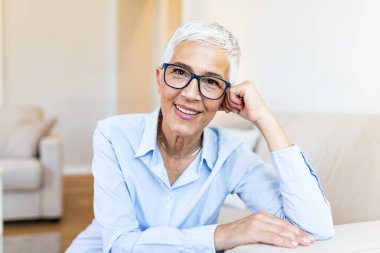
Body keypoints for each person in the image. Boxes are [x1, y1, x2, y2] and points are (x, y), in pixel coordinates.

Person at [66, 20, 334, 253]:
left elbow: (315, 227)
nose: (191, 94)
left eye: (211, 82)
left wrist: (265, 119)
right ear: (160, 78)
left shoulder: (231, 156)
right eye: (180, 72)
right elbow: (119, 245)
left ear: (224, 97)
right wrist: (225, 233)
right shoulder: (113, 135)